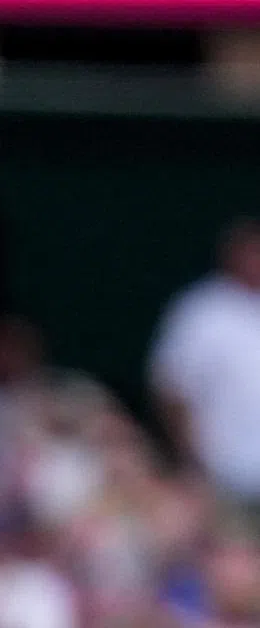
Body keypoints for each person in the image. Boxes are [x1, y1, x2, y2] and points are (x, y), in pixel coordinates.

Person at [148, 215, 260, 511]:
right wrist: (192, 459)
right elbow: (172, 389)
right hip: (224, 474)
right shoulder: (201, 311)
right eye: (251, 251)